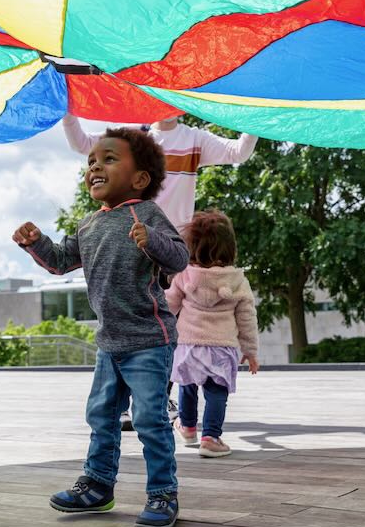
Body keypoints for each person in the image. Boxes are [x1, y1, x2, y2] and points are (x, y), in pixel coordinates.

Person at [13, 128, 188, 527]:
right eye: (92, 160)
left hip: (149, 339)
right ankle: (97, 485)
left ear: (140, 179)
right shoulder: (89, 224)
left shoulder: (146, 214)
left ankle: (163, 492)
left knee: (149, 419)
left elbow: (179, 257)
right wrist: (36, 242)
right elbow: (60, 262)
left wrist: (152, 242)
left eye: (109, 159)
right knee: (101, 415)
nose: (95, 165)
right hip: (110, 342)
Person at [63, 114, 259, 429]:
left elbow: (238, 153)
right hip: (132, 241)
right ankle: (128, 404)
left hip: (171, 250)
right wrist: (68, 111)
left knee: (165, 328)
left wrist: (257, 119)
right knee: (137, 324)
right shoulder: (132, 137)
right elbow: (82, 143)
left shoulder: (195, 139)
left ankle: (154, 398)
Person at [166, 210, 259, 458]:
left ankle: (186, 428)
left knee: (186, 387)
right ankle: (211, 437)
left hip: (187, 345)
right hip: (221, 346)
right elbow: (247, 318)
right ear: (230, 248)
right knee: (216, 392)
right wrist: (250, 351)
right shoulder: (238, 280)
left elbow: (169, 306)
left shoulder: (184, 275)